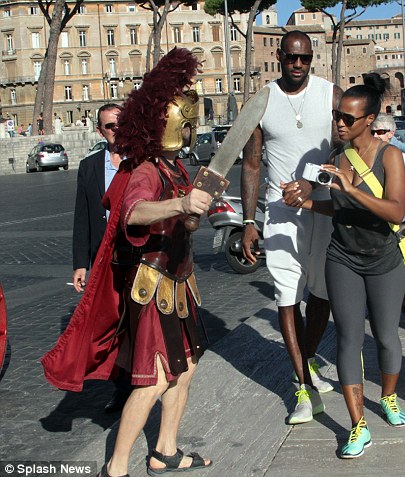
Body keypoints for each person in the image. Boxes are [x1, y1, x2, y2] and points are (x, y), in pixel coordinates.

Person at [42, 48, 213, 477]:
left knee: (186, 368)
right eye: (184, 122)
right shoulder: (147, 170)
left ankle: (164, 451)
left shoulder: (176, 167)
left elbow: (179, 221)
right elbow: (134, 213)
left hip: (180, 282)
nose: (190, 129)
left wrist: (190, 214)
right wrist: (179, 203)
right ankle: (115, 468)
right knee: (154, 380)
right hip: (152, 285)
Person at [289, 73, 405, 458]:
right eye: (337, 116)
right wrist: (307, 202)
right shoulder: (336, 160)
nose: (339, 123)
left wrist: (352, 190)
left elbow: (396, 211)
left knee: (387, 336)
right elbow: (337, 206)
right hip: (342, 258)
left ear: (369, 120)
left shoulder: (391, 157)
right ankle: (358, 425)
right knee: (348, 339)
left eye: (348, 119)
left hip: (384, 259)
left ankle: (388, 398)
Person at [241, 30, 342, 425]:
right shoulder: (262, 100)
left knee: (321, 293)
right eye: (290, 58)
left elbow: (344, 148)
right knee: (286, 295)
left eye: (304, 58)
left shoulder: (331, 94)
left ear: (312, 58)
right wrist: (251, 221)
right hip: (280, 212)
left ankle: (310, 358)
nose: (297, 64)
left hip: (322, 205)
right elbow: (251, 164)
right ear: (279, 56)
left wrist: (315, 181)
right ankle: (303, 387)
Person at [72, 103, 129, 412]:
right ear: (100, 131)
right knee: (111, 325)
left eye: (120, 124)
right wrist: (81, 263)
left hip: (136, 255)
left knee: (135, 322)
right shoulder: (89, 167)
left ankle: (140, 382)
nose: (116, 131)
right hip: (103, 259)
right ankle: (120, 388)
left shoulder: (142, 163)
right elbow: (82, 218)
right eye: (109, 126)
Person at [370, 113, 405, 317]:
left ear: (391, 134)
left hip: (399, 221)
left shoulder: (400, 157)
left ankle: (402, 297)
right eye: (373, 131)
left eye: (381, 132)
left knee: (399, 262)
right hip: (374, 220)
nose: (376, 135)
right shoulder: (363, 157)